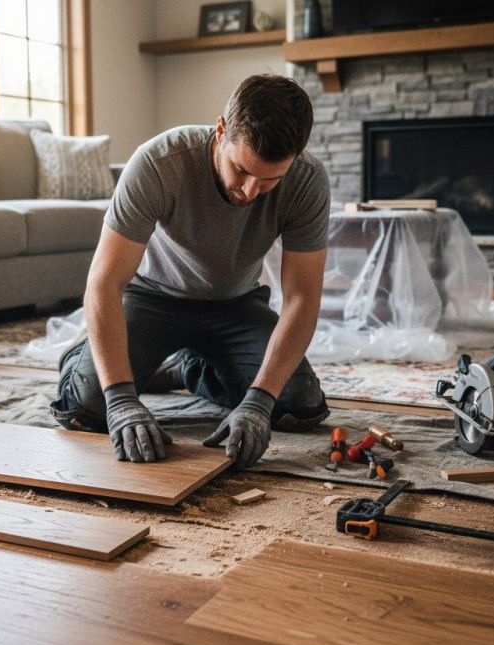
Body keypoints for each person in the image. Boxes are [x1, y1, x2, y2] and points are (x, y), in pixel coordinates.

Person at [51, 74, 331, 468]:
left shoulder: (308, 181)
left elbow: (303, 297)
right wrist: (120, 398)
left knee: (297, 404)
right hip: (152, 299)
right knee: (89, 407)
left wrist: (259, 402)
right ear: (221, 130)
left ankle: (188, 366)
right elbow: (105, 283)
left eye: (271, 180)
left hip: (237, 305)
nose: (251, 191)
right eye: (241, 170)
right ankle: (84, 358)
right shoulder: (158, 163)